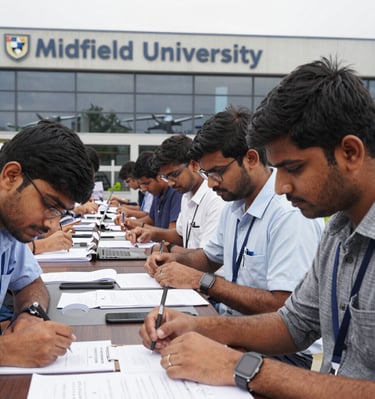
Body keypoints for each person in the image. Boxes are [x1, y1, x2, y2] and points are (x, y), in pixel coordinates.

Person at [140, 58, 375, 397]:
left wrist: (239, 367)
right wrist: (196, 326)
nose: (280, 187)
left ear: (350, 152)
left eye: (293, 168)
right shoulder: (340, 228)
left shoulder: (299, 216)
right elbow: (294, 323)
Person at [144, 105, 324, 368]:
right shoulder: (234, 205)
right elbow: (208, 257)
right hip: (240, 329)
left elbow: (284, 309)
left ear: (251, 158)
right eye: (206, 174)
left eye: (217, 172)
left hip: (286, 352)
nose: (211, 183)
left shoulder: (288, 213)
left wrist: (203, 282)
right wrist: (171, 260)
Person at [0, 120, 94, 367]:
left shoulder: (10, 231)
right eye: (49, 205)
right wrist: (6, 350)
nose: (51, 224)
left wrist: (30, 315)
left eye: (60, 212)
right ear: (11, 176)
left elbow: (32, 285)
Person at [126, 134, 224, 251]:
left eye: (174, 175)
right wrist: (151, 233)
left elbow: (206, 257)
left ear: (194, 165)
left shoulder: (215, 199)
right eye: (166, 177)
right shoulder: (186, 195)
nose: (170, 183)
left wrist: (168, 249)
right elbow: (180, 235)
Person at [121, 151, 182, 230]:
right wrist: (131, 223)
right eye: (141, 184)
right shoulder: (157, 193)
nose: (143, 189)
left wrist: (143, 229)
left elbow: (172, 233)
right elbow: (151, 220)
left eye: (147, 183)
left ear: (160, 175)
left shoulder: (176, 193)